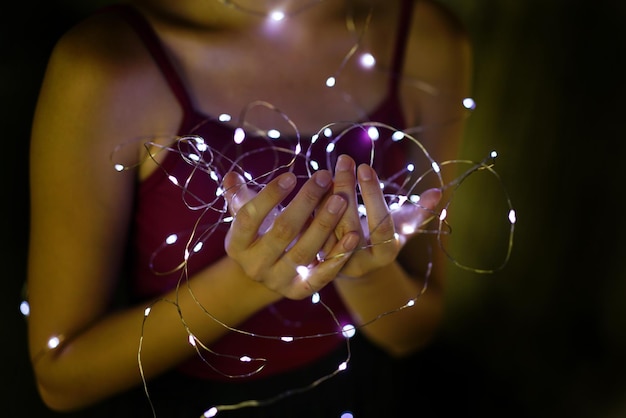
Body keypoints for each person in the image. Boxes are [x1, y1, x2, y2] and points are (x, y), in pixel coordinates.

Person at [25, 0, 471, 416]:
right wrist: (254, 279)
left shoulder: (424, 39)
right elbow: (62, 378)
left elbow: (414, 332)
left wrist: (362, 268)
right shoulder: (106, 66)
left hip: (360, 392)